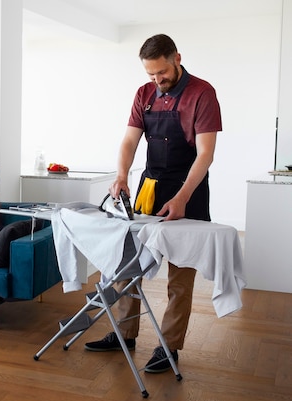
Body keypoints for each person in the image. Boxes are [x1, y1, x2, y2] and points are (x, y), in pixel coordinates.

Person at [84, 34, 222, 373]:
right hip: (149, 189)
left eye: (161, 73)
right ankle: (124, 333)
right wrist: (120, 175)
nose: (157, 81)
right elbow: (130, 140)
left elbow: (205, 154)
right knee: (127, 264)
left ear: (177, 58)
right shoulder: (144, 94)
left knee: (180, 277)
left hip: (188, 192)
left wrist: (183, 197)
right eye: (150, 75)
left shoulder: (202, 93)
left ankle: (169, 347)